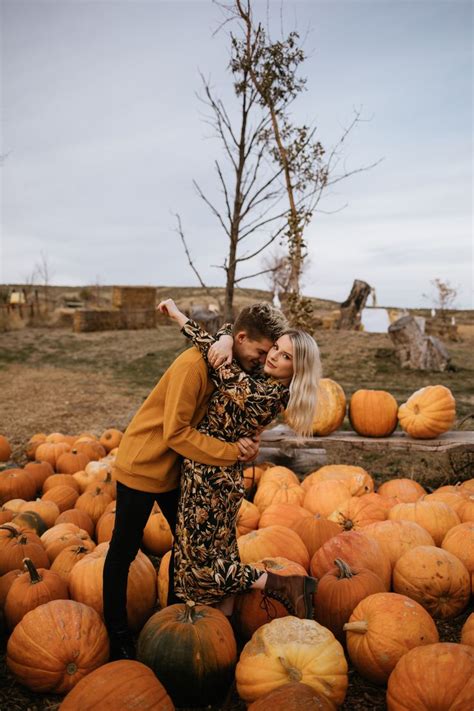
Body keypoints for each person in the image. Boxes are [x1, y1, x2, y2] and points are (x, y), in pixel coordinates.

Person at [103, 301, 288, 660]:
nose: (263, 359)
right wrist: (232, 451)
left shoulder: (229, 360)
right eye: (261, 351)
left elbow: (240, 402)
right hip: (143, 465)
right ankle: (118, 633)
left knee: (186, 549)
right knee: (123, 552)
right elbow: (175, 434)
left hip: (178, 471)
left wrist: (253, 438)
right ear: (242, 338)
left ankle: (173, 619)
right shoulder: (193, 368)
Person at [158, 298, 321, 621]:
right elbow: (238, 336)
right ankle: (226, 627)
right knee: (220, 551)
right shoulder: (266, 376)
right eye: (275, 348)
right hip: (215, 472)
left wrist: (179, 317)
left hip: (211, 478)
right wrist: (228, 336)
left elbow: (219, 361)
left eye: (285, 356)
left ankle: (282, 584)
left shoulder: (265, 395)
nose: (273, 356)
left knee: (201, 568)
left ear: (296, 368)